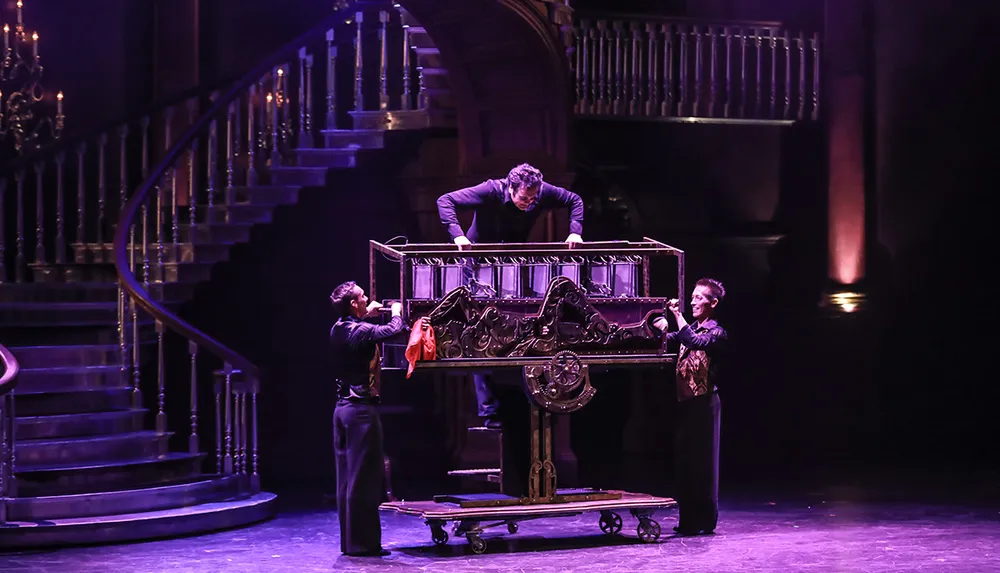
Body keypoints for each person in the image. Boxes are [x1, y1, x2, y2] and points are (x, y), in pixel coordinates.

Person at [436, 163, 584, 428]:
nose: (529, 202)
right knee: (479, 333)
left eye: (533, 198)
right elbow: (445, 200)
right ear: (510, 188)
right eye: (523, 198)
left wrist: (575, 230)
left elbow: (574, 199)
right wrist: (457, 236)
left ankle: (519, 403)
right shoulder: (490, 190)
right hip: (478, 265)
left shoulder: (540, 192)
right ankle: (489, 412)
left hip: (511, 266)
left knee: (516, 329)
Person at [329, 281, 408, 557]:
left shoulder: (339, 328)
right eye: (363, 297)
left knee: (347, 479)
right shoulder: (359, 330)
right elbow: (393, 329)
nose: (368, 299)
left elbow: (363, 331)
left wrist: (366, 315)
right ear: (354, 303)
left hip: (342, 410)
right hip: (360, 411)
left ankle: (351, 543)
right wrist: (397, 310)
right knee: (364, 478)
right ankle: (363, 545)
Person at [652, 278, 728, 536]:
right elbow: (673, 337)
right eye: (692, 297)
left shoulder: (716, 332)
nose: (693, 301)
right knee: (686, 463)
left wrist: (676, 315)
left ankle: (705, 520)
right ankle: (689, 521)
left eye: (699, 298)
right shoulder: (691, 328)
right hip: (687, 404)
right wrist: (661, 327)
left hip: (705, 404)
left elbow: (696, 342)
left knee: (703, 464)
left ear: (713, 303)